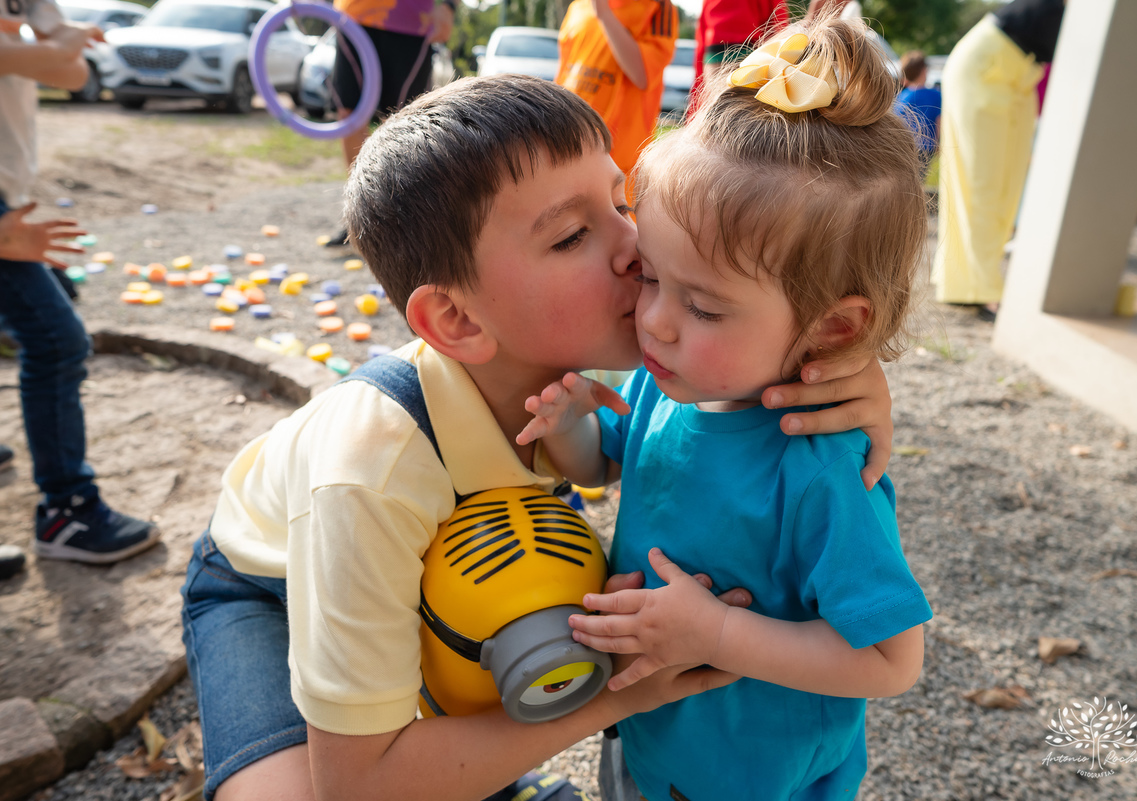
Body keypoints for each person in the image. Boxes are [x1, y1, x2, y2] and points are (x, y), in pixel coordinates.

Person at [181, 74, 898, 801]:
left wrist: (834, 365)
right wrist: (621, 692)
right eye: (572, 235)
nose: (637, 247)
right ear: (458, 321)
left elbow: (766, 303)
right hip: (268, 588)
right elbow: (358, 786)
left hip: (454, 564)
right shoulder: (368, 473)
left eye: (622, 202)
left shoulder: (624, 355)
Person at [516, 17, 931, 801]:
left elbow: (890, 659)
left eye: (703, 306)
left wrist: (716, 632)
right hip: (649, 734)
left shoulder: (819, 464)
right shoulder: (668, 379)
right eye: (649, 276)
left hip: (753, 777)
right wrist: (570, 427)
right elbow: (606, 463)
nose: (654, 320)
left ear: (835, 328)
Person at [1, 0, 160, 577]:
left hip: (9, 192)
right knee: (57, 339)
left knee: (51, 317)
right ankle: (66, 510)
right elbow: (49, 56)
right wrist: (45, 47)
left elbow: (73, 72)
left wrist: (41, 50)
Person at [931, 0, 1065, 314]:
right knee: (981, 183)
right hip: (985, 67)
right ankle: (974, 289)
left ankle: (963, 280)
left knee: (1007, 187)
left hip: (1021, 75)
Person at [321, 0, 456, 247]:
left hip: (410, 18)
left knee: (404, 121)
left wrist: (448, 6)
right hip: (353, 14)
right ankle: (360, 216)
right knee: (350, 115)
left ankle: (402, 220)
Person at [556, 0, 678, 178]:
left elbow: (642, 75)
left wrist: (604, 14)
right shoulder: (578, 7)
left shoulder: (657, 6)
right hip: (571, 148)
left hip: (620, 163)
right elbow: (563, 76)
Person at [689, 0, 787, 114]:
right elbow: (778, 19)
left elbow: (702, 27)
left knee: (715, 111)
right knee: (749, 113)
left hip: (714, 56)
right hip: (749, 52)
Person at [894, 50, 941, 176]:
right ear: (924, 71)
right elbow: (939, 121)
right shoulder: (935, 95)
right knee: (919, 178)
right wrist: (938, 144)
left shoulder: (902, 96)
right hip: (926, 146)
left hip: (904, 145)